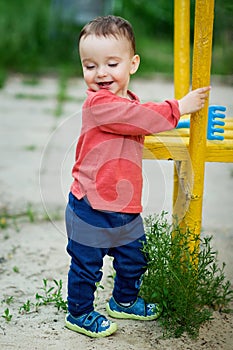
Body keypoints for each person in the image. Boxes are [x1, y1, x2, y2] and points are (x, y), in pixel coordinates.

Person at [65, 15, 210, 338]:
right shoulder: (100, 104)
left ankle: (124, 301)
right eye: (90, 66)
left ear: (133, 64)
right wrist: (179, 107)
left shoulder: (128, 101)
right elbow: (138, 117)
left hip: (124, 204)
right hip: (90, 205)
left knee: (134, 258)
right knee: (86, 266)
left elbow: (138, 116)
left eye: (111, 63)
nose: (100, 73)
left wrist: (170, 121)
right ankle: (79, 312)